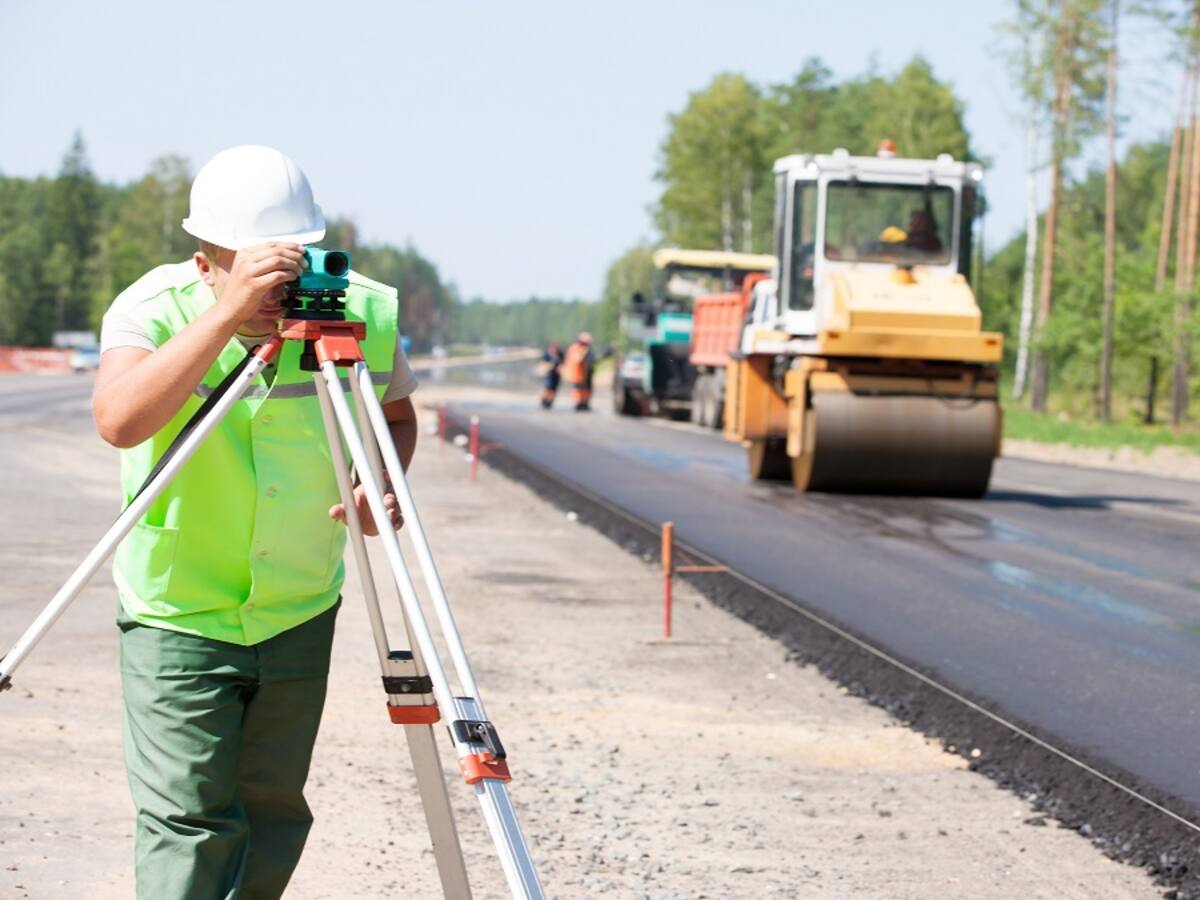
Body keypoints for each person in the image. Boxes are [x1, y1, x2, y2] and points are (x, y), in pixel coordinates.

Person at [93, 145, 419, 899]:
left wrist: (382, 480)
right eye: (252, 267)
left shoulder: (358, 309)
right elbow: (119, 420)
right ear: (204, 260)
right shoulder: (152, 307)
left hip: (298, 600)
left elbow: (395, 419)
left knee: (273, 812)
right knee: (188, 818)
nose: (279, 286)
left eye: (289, 263)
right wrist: (230, 314)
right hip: (179, 606)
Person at [561, 332, 595, 411]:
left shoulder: (584, 349)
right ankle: (580, 403)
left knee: (586, 389)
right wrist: (584, 353)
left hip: (584, 374)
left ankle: (584, 403)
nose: (586, 345)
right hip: (577, 374)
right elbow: (578, 360)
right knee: (578, 390)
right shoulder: (575, 348)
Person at [539, 340, 564, 409]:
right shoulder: (547, 353)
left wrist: (560, 369)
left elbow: (563, 363)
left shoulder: (560, 354)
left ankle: (550, 402)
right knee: (547, 388)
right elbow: (542, 363)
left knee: (554, 389)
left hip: (556, 374)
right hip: (549, 374)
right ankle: (544, 400)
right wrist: (548, 366)